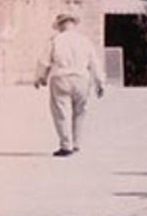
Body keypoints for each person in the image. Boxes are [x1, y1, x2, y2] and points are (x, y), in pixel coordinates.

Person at [34, 13, 105, 157]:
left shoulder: (55, 40)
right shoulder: (84, 41)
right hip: (81, 78)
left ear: (60, 25)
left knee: (61, 112)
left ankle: (66, 145)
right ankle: (77, 143)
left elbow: (44, 61)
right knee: (80, 112)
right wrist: (100, 82)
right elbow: (94, 63)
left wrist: (39, 77)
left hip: (61, 77)